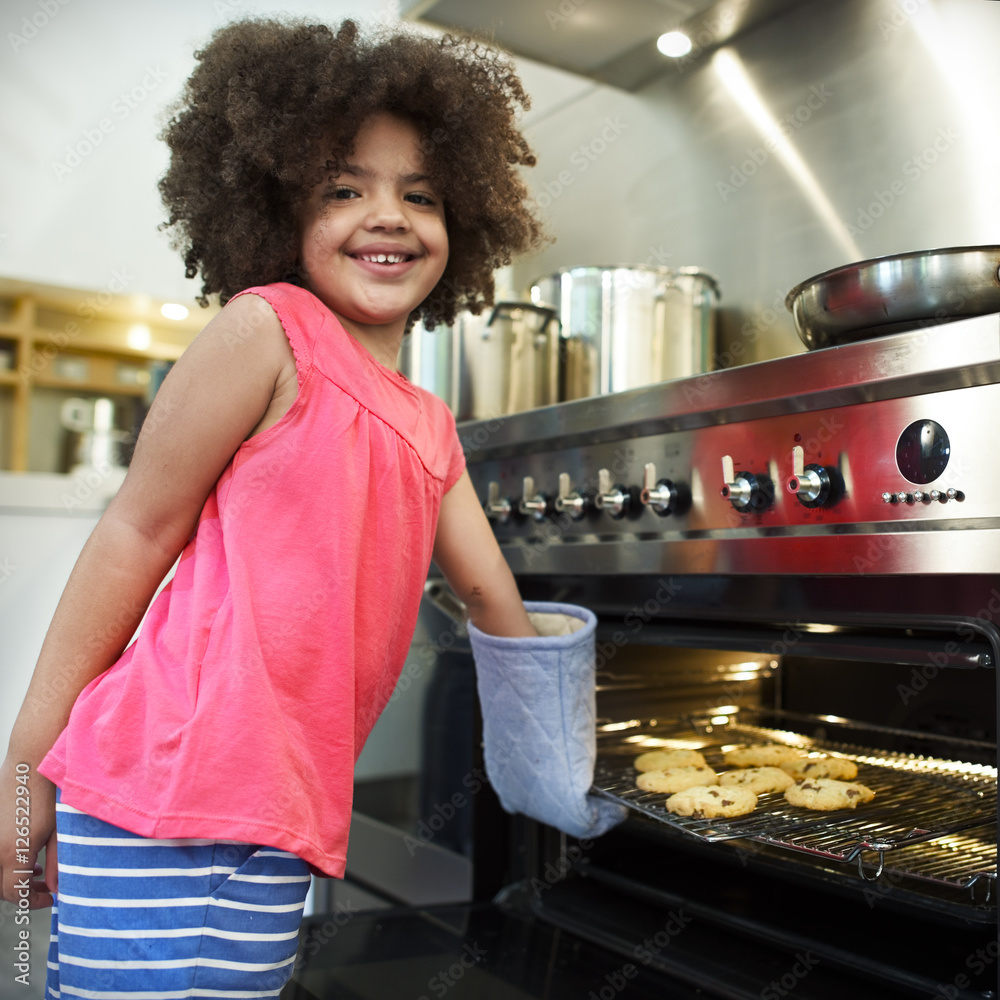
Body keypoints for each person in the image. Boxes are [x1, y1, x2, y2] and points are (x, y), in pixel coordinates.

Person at [0, 17, 554, 996]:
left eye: (418, 195)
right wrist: (20, 776)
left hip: (277, 802)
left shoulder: (429, 423)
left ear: (460, 220)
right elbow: (133, 534)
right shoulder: (267, 331)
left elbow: (495, 602)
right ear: (274, 208)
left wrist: (558, 752)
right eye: (345, 189)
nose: (387, 216)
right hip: (163, 785)